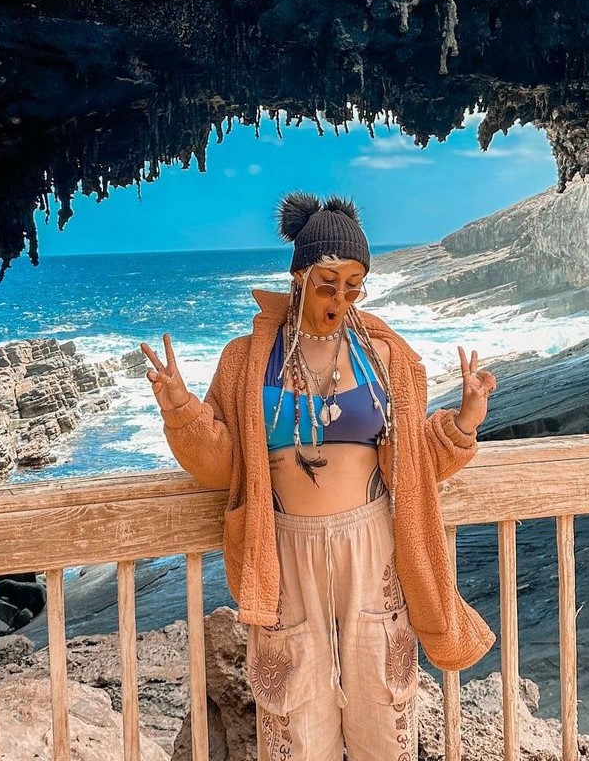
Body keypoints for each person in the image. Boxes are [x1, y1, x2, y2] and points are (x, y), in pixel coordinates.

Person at [141, 192, 497, 760]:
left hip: (372, 544)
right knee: (295, 725)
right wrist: (179, 406)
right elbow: (220, 465)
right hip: (283, 550)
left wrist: (464, 420)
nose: (340, 298)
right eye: (328, 282)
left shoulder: (387, 357)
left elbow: (414, 467)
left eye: (354, 285)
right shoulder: (246, 360)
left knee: (385, 710)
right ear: (298, 274)